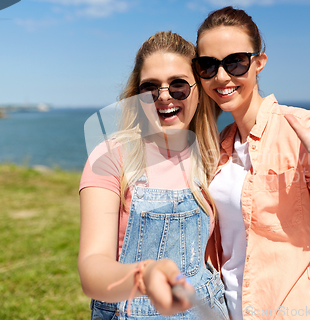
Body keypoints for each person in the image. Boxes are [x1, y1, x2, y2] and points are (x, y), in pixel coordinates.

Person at [194, 7, 310, 320]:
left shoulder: (302, 132)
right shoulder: (220, 145)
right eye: (208, 65)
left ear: (259, 63)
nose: (222, 76)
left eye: (235, 62)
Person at [78, 31, 229, 320]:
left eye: (178, 85)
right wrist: (143, 277)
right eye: (150, 88)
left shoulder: (212, 156)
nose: (163, 96)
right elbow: (92, 269)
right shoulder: (112, 156)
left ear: (199, 91)